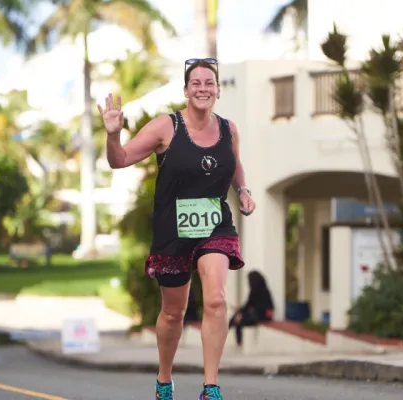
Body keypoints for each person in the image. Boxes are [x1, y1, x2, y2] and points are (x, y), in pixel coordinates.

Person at [98, 57, 255, 400]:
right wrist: (113, 136)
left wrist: (242, 189)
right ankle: (164, 379)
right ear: (186, 91)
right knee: (173, 313)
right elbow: (119, 159)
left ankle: (210, 387)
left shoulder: (229, 130)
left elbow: (235, 161)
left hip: (215, 224)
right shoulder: (165, 128)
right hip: (174, 229)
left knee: (215, 300)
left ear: (217, 90)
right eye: (195, 83)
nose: (203, 88)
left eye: (209, 83)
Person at [228, 270, 274, 347]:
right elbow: (248, 305)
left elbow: (249, 305)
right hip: (257, 314)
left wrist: (240, 312)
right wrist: (240, 311)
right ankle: (232, 338)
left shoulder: (255, 292)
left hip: (259, 316)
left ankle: (238, 343)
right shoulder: (265, 291)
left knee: (238, 320)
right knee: (236, 318)